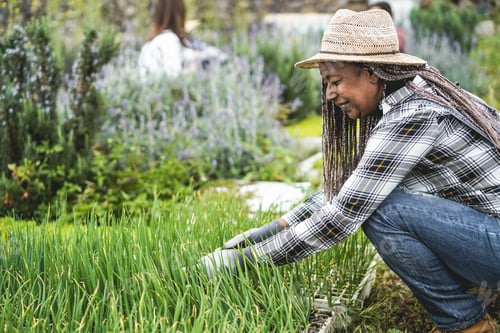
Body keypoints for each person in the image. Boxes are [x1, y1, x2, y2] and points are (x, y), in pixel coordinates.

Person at [196, 8, 500, 333]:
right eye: (326, 83)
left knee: (381, 210)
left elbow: (341, 215)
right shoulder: (410, 93)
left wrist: (243, 262)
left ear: (372, 73)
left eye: (336, 81)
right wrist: (270, 230)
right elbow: (351, 186)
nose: (328, 94)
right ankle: (480, 296)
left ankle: (466, 324)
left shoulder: (412, 116)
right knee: (382, 200)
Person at [138, 0, 225, 78]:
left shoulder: (151, 43)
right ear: (179, 13)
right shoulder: (169, 40)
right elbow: (174, 77)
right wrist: (195, 67)